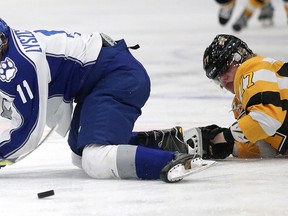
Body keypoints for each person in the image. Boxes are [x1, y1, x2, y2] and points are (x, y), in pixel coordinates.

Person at [0, 18, 215, 183]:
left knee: (96, 159)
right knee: (80, 153)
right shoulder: (12, 45)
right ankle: (165, 143)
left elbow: (29, 131)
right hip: (104, 75)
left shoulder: (20, 65)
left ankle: (170, 162)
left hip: (116, 76)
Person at [197, 34, 288, 160]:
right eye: (217, 77)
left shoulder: (254, 66)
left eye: (225, 68)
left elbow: (266, 119)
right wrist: (231, 146)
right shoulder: (240, 104)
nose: (223, 79)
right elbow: (271, 148)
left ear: (240, 56)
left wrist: (224, 136)